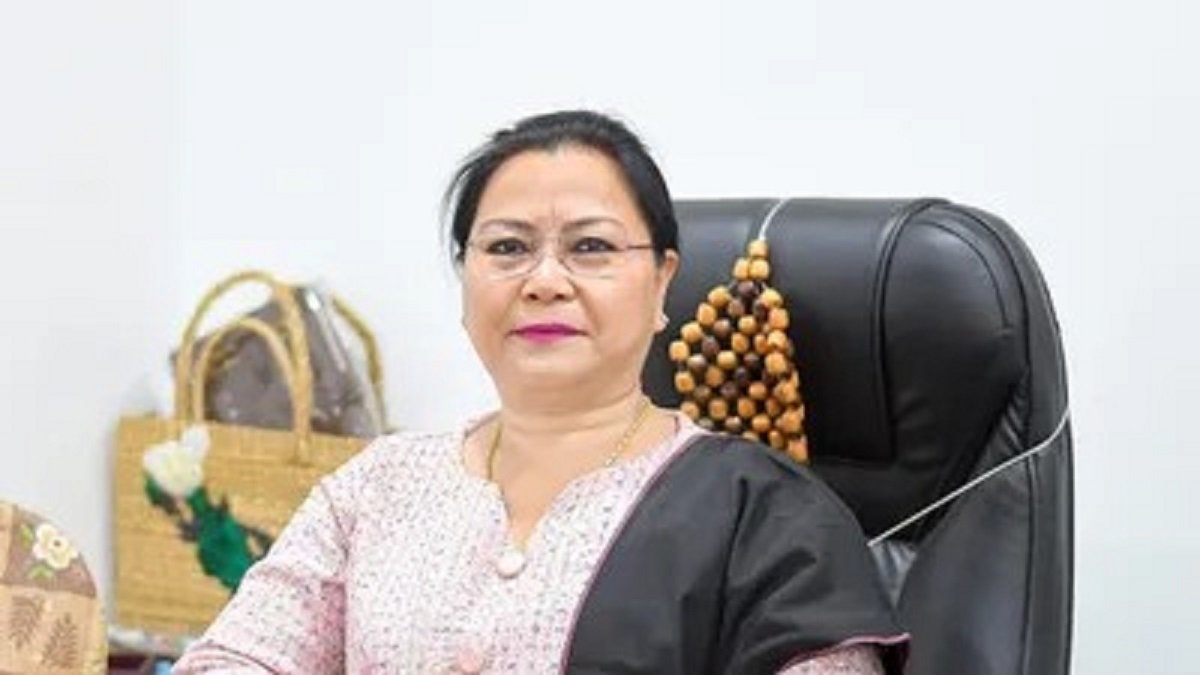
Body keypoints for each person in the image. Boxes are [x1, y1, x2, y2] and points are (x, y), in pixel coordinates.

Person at [173, 110, 907, 674]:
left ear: (661, 284)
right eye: (507, 247)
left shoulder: (763, 512)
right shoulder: (378, 486)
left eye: (591, 246)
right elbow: (235, 659)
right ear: (465, 281)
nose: (545, 279)